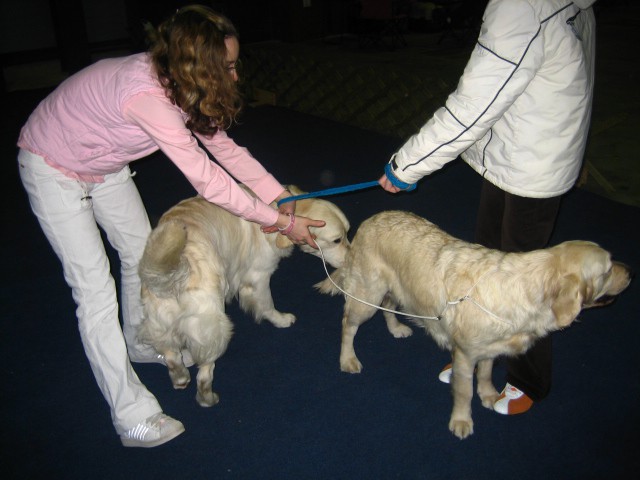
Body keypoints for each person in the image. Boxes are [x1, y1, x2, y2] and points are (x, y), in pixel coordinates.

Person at [17, 5, 324, 448]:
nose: (234, 77)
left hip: (104, 164)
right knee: (93, 292)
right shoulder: (147, 98)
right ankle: (131, 417)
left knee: (144, 258)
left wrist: (283, 201)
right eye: (229, 67)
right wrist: (279, 222)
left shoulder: (184, 87)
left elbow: (229, 153)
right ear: (199, 66)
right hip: (52, 165)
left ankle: (143, 344)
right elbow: (208, 179)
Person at [379, 0, 596, 415]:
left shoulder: (518, 6)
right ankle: (474, 349)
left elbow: (473, 105)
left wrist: (406, 166)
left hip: (533, 166)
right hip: (516, 150)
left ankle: (527, 378)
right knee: (482, 266)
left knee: (527, 282)